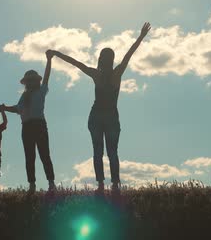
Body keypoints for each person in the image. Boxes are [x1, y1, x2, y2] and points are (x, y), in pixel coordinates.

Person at [52, 22, 151, 194]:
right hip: (110, 117)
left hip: (97, 116)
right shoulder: (117, 73)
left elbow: (76, 63)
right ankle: (114, 184)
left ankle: (101, 184)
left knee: (98, 151)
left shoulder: (97, 74)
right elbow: (129, 54)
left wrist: (57, 53)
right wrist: (141, 36)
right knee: (112, 151)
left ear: (100, 59)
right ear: (112, 60)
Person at [0, 50, 56, 193]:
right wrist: (5, 108)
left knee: (44, 154)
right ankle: (32, 184)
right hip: (27, 126)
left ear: (37, 81)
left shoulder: (42, 91)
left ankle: (51, 183)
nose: (31, 82)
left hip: (39, 124)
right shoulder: (24, 96)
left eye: (33, 80)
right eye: (29, 80)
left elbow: (47, 75)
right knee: (29, 156)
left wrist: (49, 60)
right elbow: (18, 109)